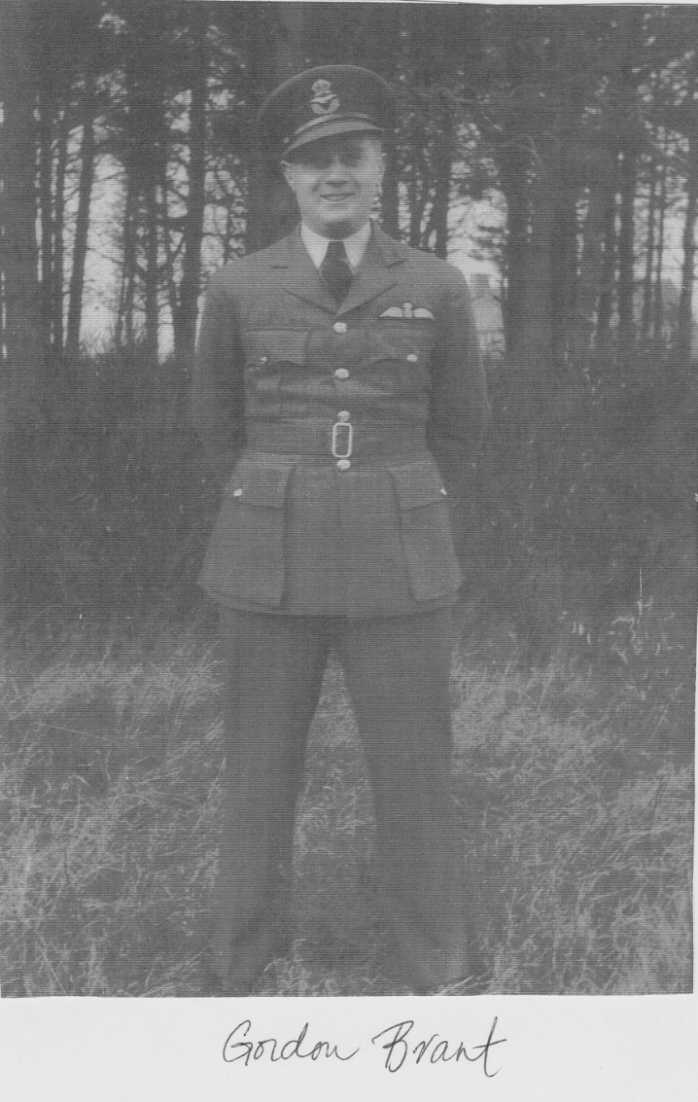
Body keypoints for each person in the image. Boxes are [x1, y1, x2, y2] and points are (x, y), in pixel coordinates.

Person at [192, 65, 490, 995]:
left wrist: (396, 497)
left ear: (380, 166)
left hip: (398, 560)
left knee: (414, 770)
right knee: (257, 771)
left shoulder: (437, 285)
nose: (334, 175)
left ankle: (435, 966)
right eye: (314, 160)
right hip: (268, 559)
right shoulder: (239, 286)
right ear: (288, 175)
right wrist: (278, 492)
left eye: (351, 155)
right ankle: (239, 965)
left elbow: (462, 430)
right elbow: (214, 429)